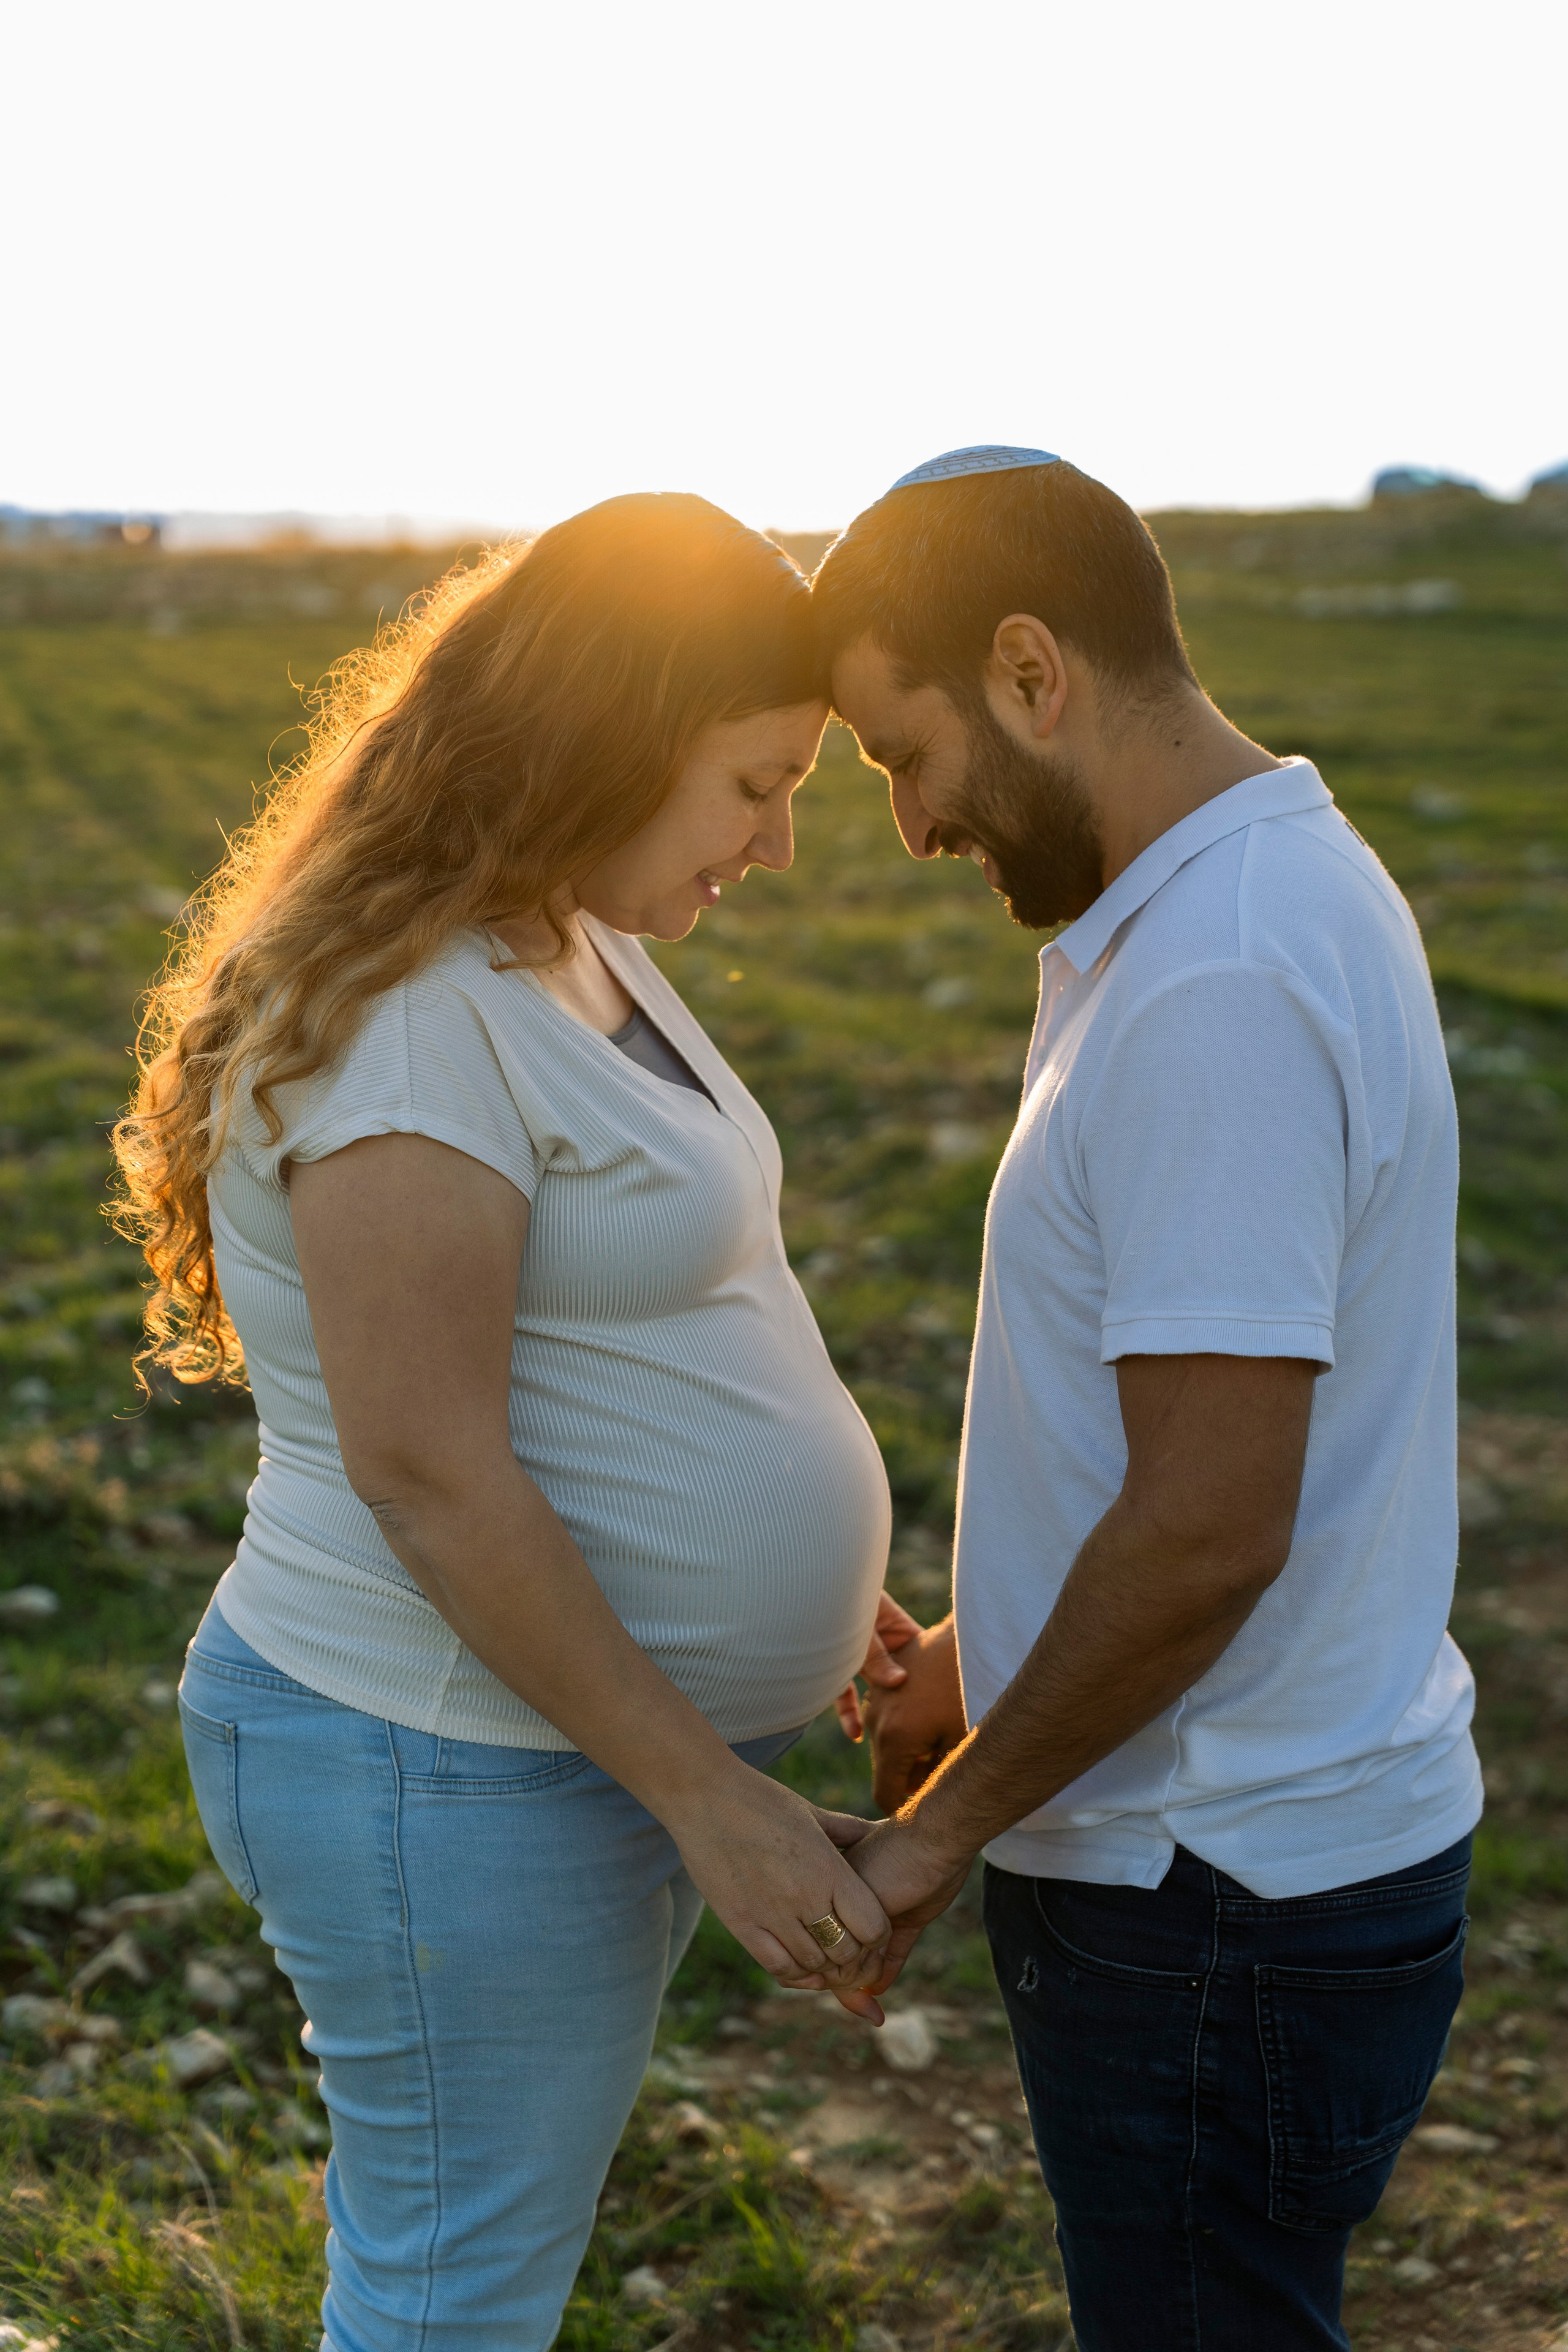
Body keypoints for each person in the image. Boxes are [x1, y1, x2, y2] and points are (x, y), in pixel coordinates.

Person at [112, 494, 896, 2351]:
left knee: (464, 2254)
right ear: (607, 737)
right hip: (434, 1760)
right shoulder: (410, 1016)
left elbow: (629, 1312)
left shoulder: (566, 935)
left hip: (534, 1746)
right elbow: (428, 1467)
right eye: (754, 785)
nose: (778, 845)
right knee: (453, 2296)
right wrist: (712, 1794)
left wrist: (801, 1602)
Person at [817, 449, 1482, 2352]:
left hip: (1212, 1899)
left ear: (1030, 668)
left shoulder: (1221, 976)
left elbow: (1206, 1525)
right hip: (1234, 1853)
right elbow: (1202, 1440)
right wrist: (983, 1648)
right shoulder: (1240, 895)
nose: (911, 822)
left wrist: (940, 1829)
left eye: (900, 752)